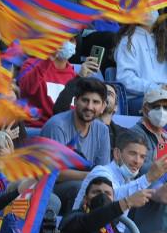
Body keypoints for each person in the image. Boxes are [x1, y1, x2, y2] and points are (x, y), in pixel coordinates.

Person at [41, 78, 113, 211]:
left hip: (83, 184)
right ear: (75, 101)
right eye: (85, 100)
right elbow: (52, 174)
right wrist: (90, 176)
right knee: (80, 188)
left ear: (103, 107)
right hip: (47, 186)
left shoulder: (102, 130)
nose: (89, 107)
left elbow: (102, 170)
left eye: (95, 102)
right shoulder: (57, 126)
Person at [71, 129, 167, 211]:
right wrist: (148, 178)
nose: (137, 161)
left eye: (142, 157)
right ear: (117, 153)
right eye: (132, 153)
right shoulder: (101, 172)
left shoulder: (128, 179)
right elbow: (110, 200)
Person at [19, 38, 100, 127]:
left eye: (71, 40)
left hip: (65, 131)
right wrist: (48, 60)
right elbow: (26, 90)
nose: (68, 43)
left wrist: (81, 78)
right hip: (38, 130)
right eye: (63, 38)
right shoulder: (32, 64)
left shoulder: (74, 76)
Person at [129, 86, 167, 233]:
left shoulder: (164, 136)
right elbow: (142, 169)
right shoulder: (135, 134)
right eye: (156, 106)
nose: (162, 111)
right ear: (145, 109)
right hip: (143, 191)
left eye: (165, 107)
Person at [115, 13, 167, 115]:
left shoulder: (163, 39)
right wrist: (156, 88)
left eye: (152, 6)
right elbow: (125, 79)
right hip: (139, 98)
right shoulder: (128, 40)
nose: (150, 11)